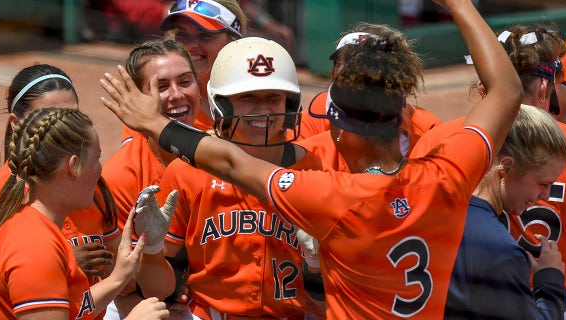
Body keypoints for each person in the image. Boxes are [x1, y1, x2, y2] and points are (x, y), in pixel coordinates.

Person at [99, 0, 524, 317]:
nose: (262, 110)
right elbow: (506, 90)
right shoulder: (445, 174)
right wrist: (460, 3)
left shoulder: (328, 189)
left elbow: (229, 165)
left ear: (335, 129)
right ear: (402, 118)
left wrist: (155, 126)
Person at [135, 36, 324, 319]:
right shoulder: (187, 170)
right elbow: (158, 290)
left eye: (274, 97)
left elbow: (329, 299)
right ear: (221, 103)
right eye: (248, 97)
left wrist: (317, 264)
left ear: (291, 102)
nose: (263, 109)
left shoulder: (313, 169)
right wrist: (151, 250)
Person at [0, 64, 120, 319]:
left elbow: (120, 281)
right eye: (49, 117)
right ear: (16, 124)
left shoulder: (90, 188)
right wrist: (57, 265)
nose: (65, 132)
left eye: (71, 117)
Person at [0, 107, 166, 320]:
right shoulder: (35, 247)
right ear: (73, 166)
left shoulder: (30, 224)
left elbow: (70, 308)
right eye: (96, 159)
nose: (99, 170)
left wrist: (118, 277)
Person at [99, 39, 201, 318]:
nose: (177, 94)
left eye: (185, 81)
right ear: (136, 99)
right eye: (162, 86)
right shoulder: (122, 175)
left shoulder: (218, 149)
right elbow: (125, 286)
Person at [443, 104, 566, 318]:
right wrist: (550, 280)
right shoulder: (498, 249)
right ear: (507, 168)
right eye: (543, 184)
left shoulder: (442, 204)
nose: (546, 196)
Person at [298, 24, 441, 165]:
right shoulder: (313, 120)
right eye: (344, 61)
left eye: (368, 65)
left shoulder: (427, 130)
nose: (351, 71)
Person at [159, 0, 247, 128]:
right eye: (182, 35)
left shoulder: (256, 93)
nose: (190, 45)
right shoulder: (157, 100)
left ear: (233, 41)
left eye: (205, 35)